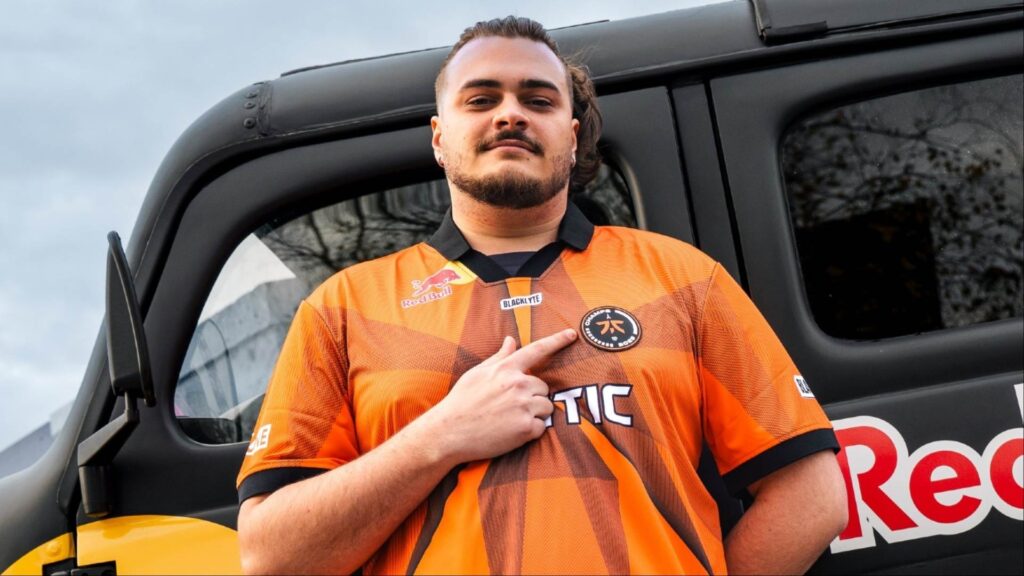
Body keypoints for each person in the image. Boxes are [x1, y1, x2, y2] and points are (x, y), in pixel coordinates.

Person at [236, 16, 847, 575]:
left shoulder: (683, 278)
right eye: (481, 99)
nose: (510, 114)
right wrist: (441, 435)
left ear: (572, 136)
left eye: (538, 99)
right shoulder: (341, 308)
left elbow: (812, 493)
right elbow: (272, 557)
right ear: (438, 137)